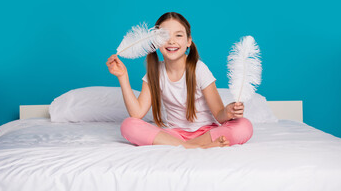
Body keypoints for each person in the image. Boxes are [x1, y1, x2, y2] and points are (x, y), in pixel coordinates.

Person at [106, 12, 253, 149]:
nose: (171, 41)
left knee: (244, 125)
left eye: (178, 35)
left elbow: (220, 116)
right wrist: (123, 76)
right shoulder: (155, 72)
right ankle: (194, 147)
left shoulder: (199, 69)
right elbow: (137, 114)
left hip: (207, 133)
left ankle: (187, 145)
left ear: (189, 41)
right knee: (129, 125)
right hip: (174, 135)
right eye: (164, 36)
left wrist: (228, 112)